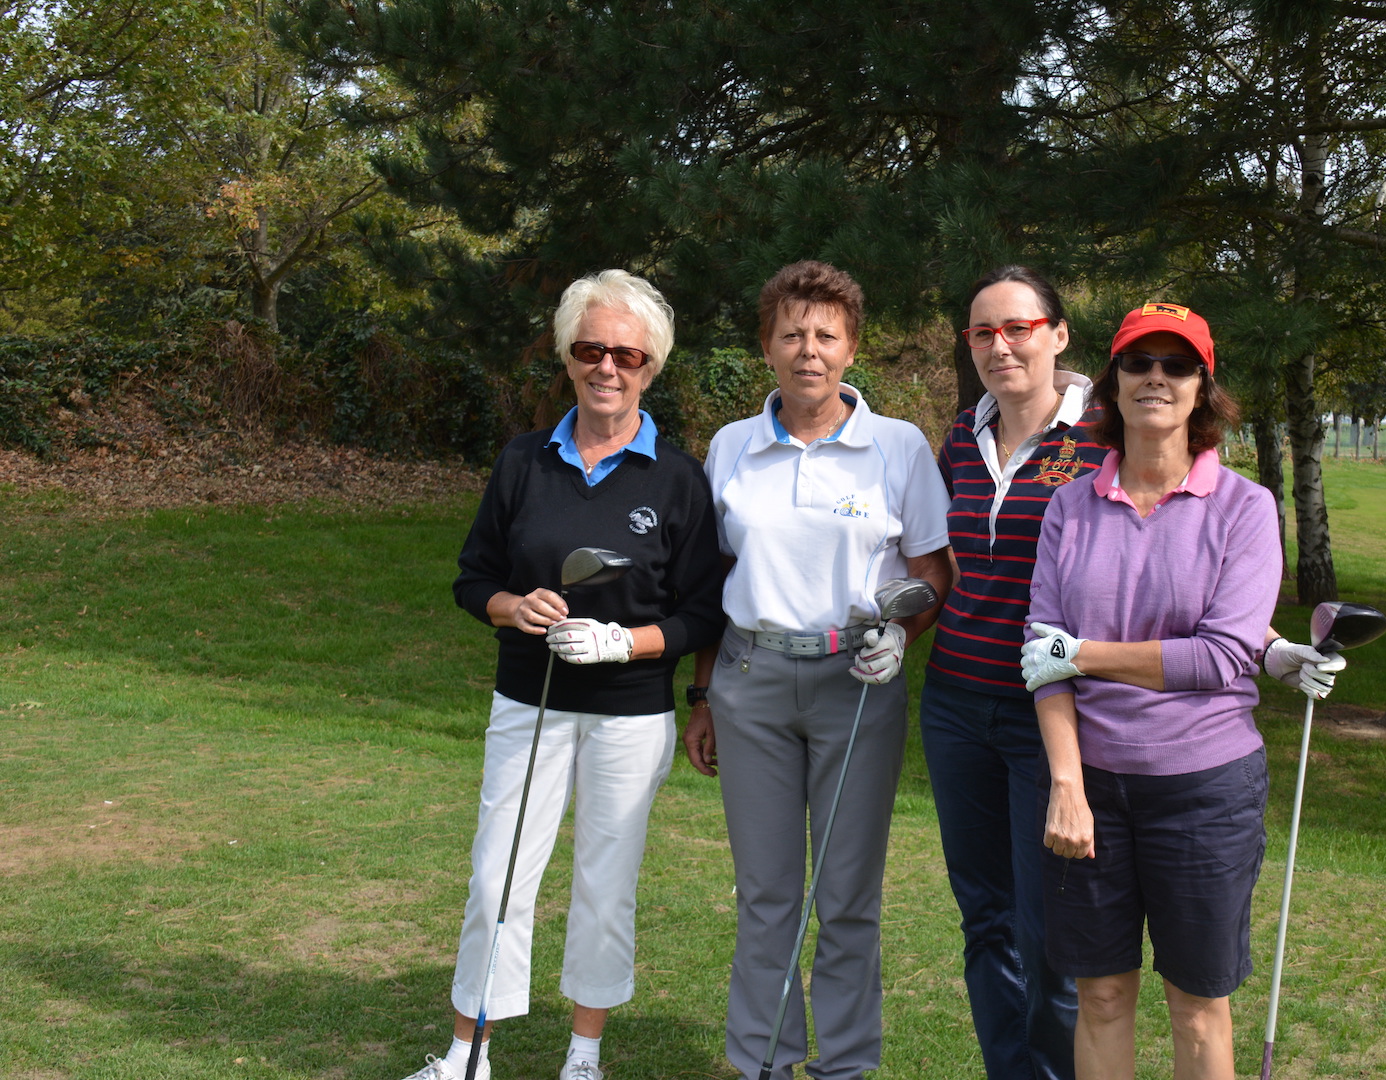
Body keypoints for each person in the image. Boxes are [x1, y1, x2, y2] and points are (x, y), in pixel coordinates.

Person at [407, 270, 726, 1080]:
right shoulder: (524, 461)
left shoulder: (679, 479)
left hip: (630, 712)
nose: (607, 367)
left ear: (651, 365)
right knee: (497, 875)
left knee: (605, 883)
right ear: (568, 356)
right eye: (591, 349)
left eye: (627, 352)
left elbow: (703, 613)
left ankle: (583, 1055)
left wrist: (628, 644)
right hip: (529, 700)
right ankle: (466, 1054)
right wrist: (512, 607)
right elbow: (472, 577)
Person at [680, 260, 953, 1080]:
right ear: (765, 346)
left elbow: (933, 574)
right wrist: (701, 696)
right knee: (766, 897)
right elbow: (709, 581)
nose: (809, 350)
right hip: (749, 682)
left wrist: (905, 632)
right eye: (791, 333)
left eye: (826, 335)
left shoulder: (897, 446)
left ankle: (846, 1065)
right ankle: (763, 1061)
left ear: (851, 348)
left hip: (858, 685)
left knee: (847, 900)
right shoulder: (732, 445)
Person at [1019, 301, 1286, 1080]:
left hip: (1206, 791)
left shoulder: (1245, 507)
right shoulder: (1070, 505)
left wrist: (1087, 653)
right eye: (1139, 363)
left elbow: (1223, 657)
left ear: (1203, 387)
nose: (1157, 378)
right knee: (1100, 994)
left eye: (1177, 365)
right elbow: (1043, 661)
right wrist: (1066, 783)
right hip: (1091, 785)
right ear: (1114, 382)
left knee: (1197, 1002)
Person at [919, 265, 1104, 1080]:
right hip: (956, 705)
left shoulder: (1105, 435)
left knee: (1049, 934)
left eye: (1018, 328)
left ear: (1057, 335)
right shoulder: (961, 436)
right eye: (983, 332)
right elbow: (939, 565)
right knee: (985, 921)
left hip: (1052, 716)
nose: (1001, 346)